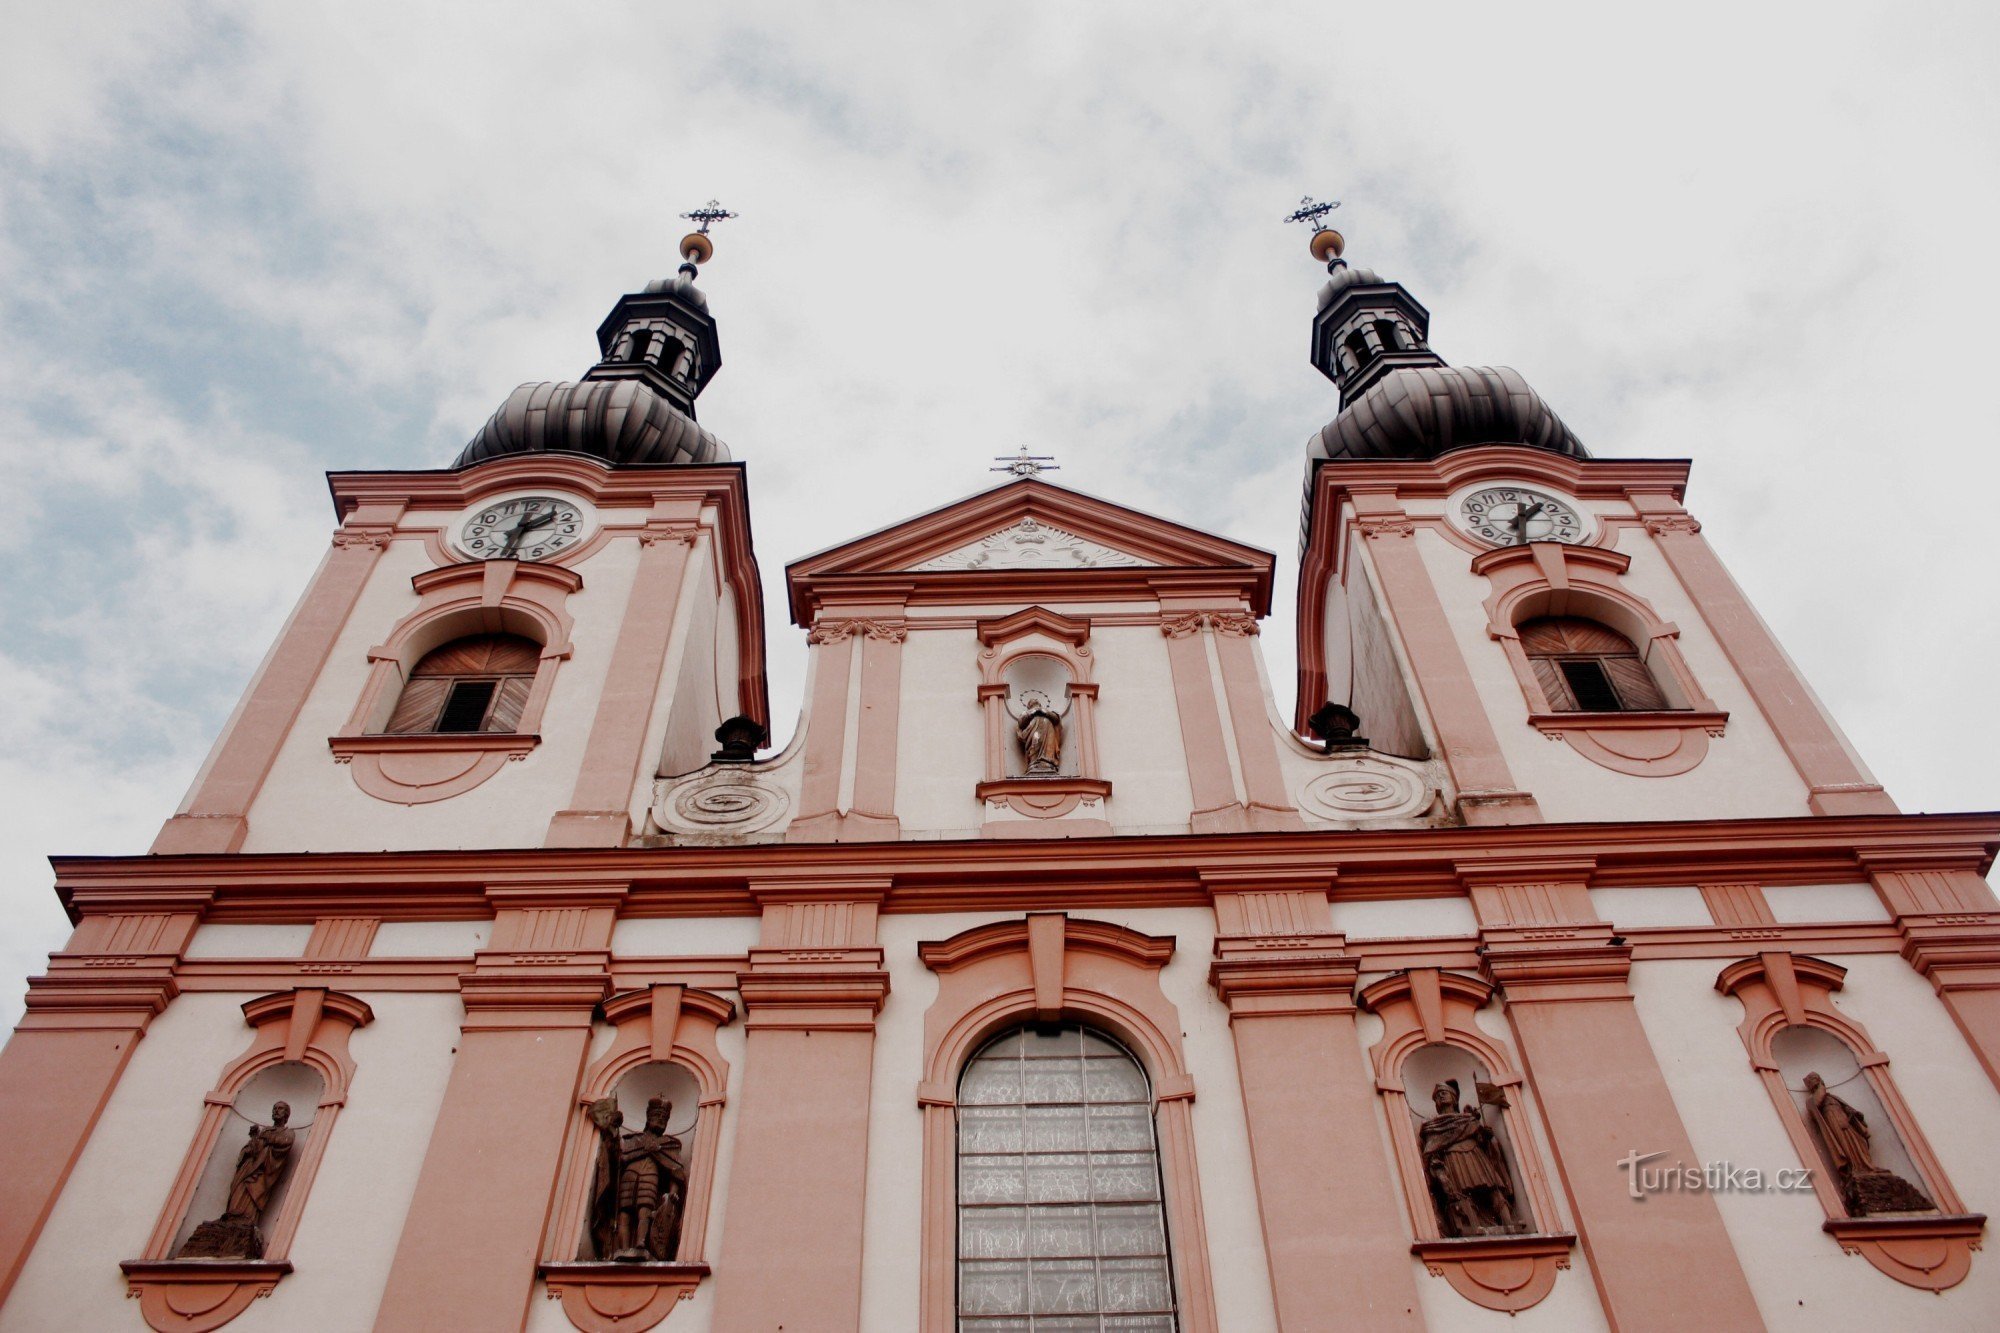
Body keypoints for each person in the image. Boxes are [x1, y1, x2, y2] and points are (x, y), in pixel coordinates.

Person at [1419, 1080, 1519, 1236]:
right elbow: (1432, 1149)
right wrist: (1439, 1171)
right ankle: (1473, 1226)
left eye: (1444, 1093)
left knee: (1493, 1188)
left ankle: (1508, 1223)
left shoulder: (1469, 1119)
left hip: (1475, 1155)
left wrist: (1485, 1136)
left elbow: (1483, 1143)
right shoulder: (1432, 1125)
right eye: (1438, 1096)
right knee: (1462, 1194)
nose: (1441, 1096)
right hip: (1452, 1158)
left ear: (1454, 1098)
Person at [224, 1100, 295, 1222]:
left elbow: (285, 1142)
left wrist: (263, 1138)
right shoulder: (265, 1131)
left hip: (261, 1173)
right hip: (248, 1168)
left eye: (280, 1108)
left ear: (286, 1114)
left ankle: (246, 1221)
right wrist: (254, 1137)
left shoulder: (287, 1133)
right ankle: (232, 1217)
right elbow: (253, 1149)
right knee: (238, 1191)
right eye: (274, 1108)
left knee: (251, 1195)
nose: (276, 1111)